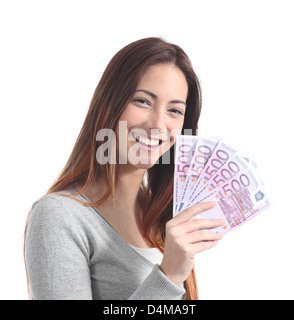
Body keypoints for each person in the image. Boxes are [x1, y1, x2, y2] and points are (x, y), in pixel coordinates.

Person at [24, 37, 224, 300]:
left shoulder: (162, 216)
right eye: (143, 101)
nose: (158, 125)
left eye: (175, 110)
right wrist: (169, 276)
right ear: (109, 103)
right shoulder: (59, 216)